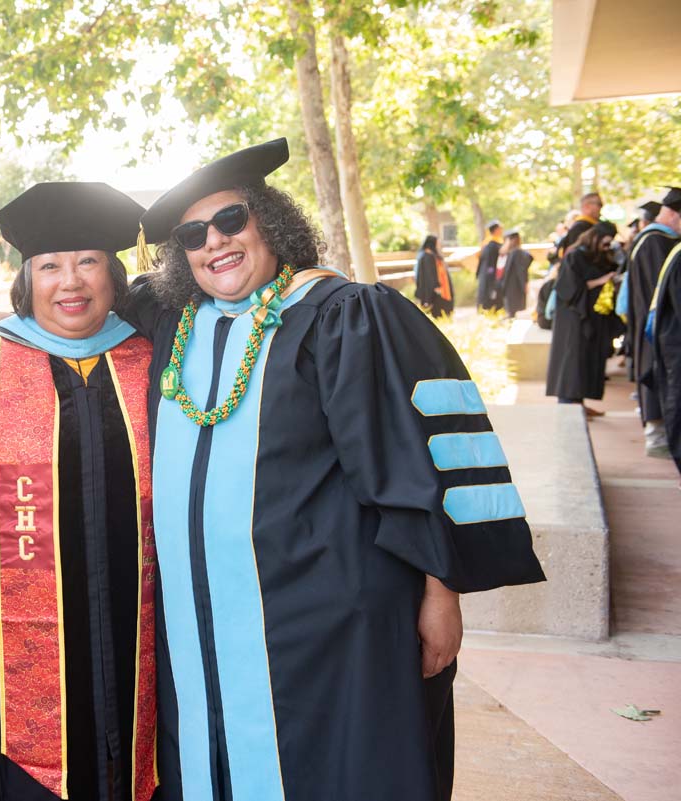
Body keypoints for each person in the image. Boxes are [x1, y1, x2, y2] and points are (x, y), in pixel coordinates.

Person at [125, 139, 544, 801]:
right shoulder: (178, 328)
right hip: (204, 623)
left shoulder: (342, 316)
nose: (216, 243)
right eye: (194, 234)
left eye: (233, 221)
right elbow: (76, 309)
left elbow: (414, 459)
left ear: (274, 221)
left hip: (333, 622)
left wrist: (442, 591)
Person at [0, 182, 160, 801]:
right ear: (27, 280)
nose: (70, 282)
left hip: (144, 621)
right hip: (17, 633)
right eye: (50, 266)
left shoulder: (151, 356)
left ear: (114, 276)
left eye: (87, 262)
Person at [626, 190, 681, 457]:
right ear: (672, 213)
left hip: (650, 321)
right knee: (656, 374)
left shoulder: (652, 239)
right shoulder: (655, 242)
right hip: (657, 325)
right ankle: (656, 436)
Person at [545, 221, 619, 415]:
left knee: (584, 360)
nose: (607, 246)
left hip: (590, 316)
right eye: (605, 241)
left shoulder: (595, 256)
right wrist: (601, 281)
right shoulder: (575, 256)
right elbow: (570, 289)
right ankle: (568, 405)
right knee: (572, 361)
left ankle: (579, 404)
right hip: (573, 318)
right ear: (595, 237)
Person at [414, 234, 454, 317]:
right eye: (437, 243)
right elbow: (429, 275)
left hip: (440, 289)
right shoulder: (427, 256)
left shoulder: (432, 255)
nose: (439, 245)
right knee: (438, 310)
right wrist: (436, 286)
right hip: (435, 291)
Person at [498, 229, 533, 319]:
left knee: (515, 312)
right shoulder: (512, 252)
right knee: (513, 311)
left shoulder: (517, 252)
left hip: (515, 286)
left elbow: (521, 271)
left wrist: (524, 284)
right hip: (512, 286)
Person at [556, 192, 603, 258]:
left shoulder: (596, 225)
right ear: (587, 206)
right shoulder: (580, 227)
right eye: (599, 204)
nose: (601, 207)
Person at [476, 220, 504, 311]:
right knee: (490, 295)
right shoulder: (493, 244)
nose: (501, 231)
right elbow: (491, 263)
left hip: (485, 273)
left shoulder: (486, 244)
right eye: (500, 229)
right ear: (495, 230)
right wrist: (492, 274)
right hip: (490, 274)